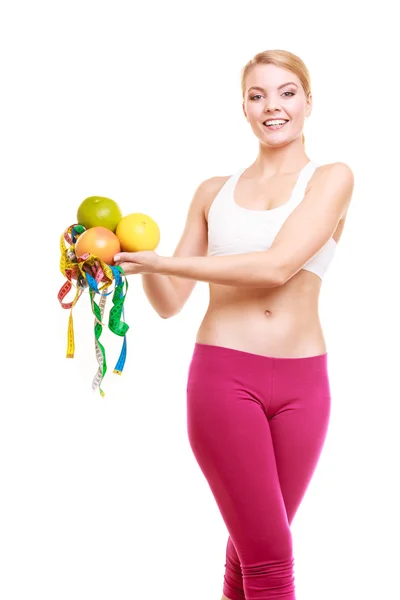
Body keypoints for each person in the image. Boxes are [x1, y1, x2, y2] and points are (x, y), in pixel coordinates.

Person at [114, 49, 354, 600]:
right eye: (257, 95)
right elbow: (170, 300)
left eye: (287, 92)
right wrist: (136, 258)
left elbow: (276, 267)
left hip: (304, 386)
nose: (273, 106)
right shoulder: (212, 192)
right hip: (224, 380)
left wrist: (162, 261)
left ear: (309, 102)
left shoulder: (332, 178)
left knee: (248, 553)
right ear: (243, 109)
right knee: (271, 559)